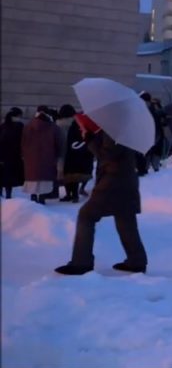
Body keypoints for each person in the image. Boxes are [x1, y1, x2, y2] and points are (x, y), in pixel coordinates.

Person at [54, 113, 148, 275]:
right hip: (125, 180)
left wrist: (89, 138)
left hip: (113, 181)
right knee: (125, 220)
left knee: (86, 216)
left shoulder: (114, 127)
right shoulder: (122, 125)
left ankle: (81, 262)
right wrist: (92, 136)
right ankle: (136, 261)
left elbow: (108, 155)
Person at [21, 106, 62, 205]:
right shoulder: (53, 127)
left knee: (32, 179)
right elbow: (59, 144)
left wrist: (23, 154)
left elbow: (23, 143)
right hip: (47, 158)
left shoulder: (27, 126)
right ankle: (42, 198)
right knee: (45, 180)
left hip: (31, 158)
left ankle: (33, 198)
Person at [58, 105, 94, 203]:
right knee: (74, 174)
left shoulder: (67, 124)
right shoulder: (78, 122)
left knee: (71, 174)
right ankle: (73, 194)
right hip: (78, 152)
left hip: (72, 153)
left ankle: (72, 194)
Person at [0, 107, 25, 199]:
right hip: (13, 155)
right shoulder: (19, 126)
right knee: (8, 177)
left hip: (7, 156)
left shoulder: (4, 126)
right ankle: (8, 195)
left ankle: (6, 195)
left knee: (5, 176)